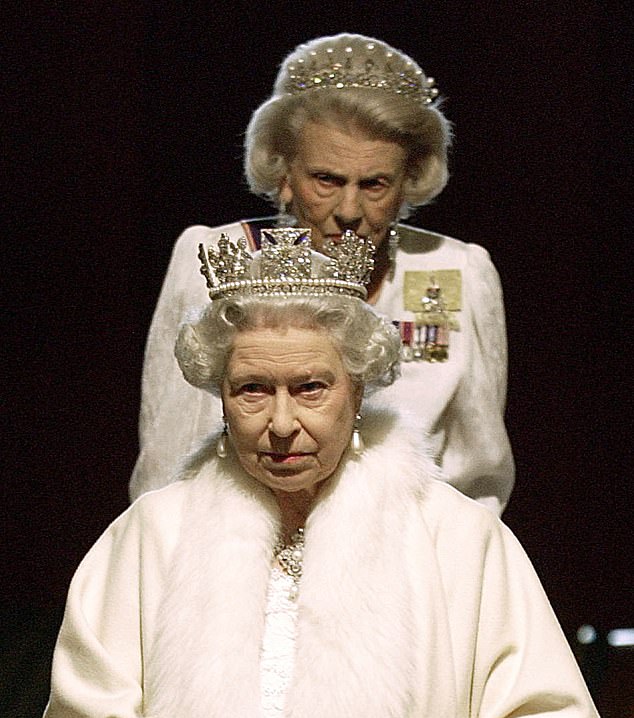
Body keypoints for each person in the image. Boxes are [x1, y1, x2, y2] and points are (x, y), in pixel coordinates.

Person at [31, 229, 613, 718]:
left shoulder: (463, 542)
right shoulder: (147, 539)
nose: (280, 423)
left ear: (358, 390)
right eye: (252, 388)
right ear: (219, 394)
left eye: (311, 387)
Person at [130, 33, 514, 514]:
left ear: (408, 184)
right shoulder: (213, 257)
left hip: (412, 555)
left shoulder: (456, 271)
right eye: (326, 180)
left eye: (374, 184)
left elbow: (480, 474)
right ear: (284, 175)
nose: (349, 209)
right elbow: (169, 463)